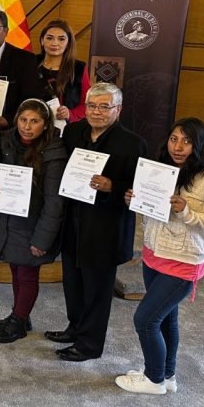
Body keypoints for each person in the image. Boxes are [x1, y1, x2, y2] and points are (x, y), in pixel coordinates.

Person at [116, 118, 204, 394]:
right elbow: (155, 209)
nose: (178, 147)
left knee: (145, 320)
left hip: (183, 261)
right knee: (166, 318)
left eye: (187, 141)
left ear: (199, 144)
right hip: (154, 254)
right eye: (174, 139)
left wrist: (187, 213)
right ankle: (167, 375)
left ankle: (154, 379)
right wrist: (135, 200)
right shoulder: (161, 168)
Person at [46, 82, 146, 362]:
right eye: (92, 105)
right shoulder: (74, 132)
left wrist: (112, 186)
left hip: (106, 227)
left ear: (118, 110)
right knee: (73, 282)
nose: (97, 112)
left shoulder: (133, 143)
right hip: (73, 221)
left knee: (97, 289)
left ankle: (90, 344)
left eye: (105, 107)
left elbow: (141, 189)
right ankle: (75, 328)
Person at [0, 99, 67, 343]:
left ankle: (18, 323)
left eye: (34, 121)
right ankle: (20, 314)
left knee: (27, 274)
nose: (27, 127)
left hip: (34, 225)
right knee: (15, 268)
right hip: (8, 219)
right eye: (23, 120)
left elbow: (55, 202)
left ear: (46, 124)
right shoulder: (7, 141)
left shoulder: (54, 152)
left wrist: (42, 239)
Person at [36, 19, 90, 124]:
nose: (54, 43)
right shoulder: (31, 63)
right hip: (31, 125)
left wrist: (70, 114)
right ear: (42, 40)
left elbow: (88, 103)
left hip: (66, 127)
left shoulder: (79, 68)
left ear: (68, 43)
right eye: (49, 38)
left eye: (61, 39)